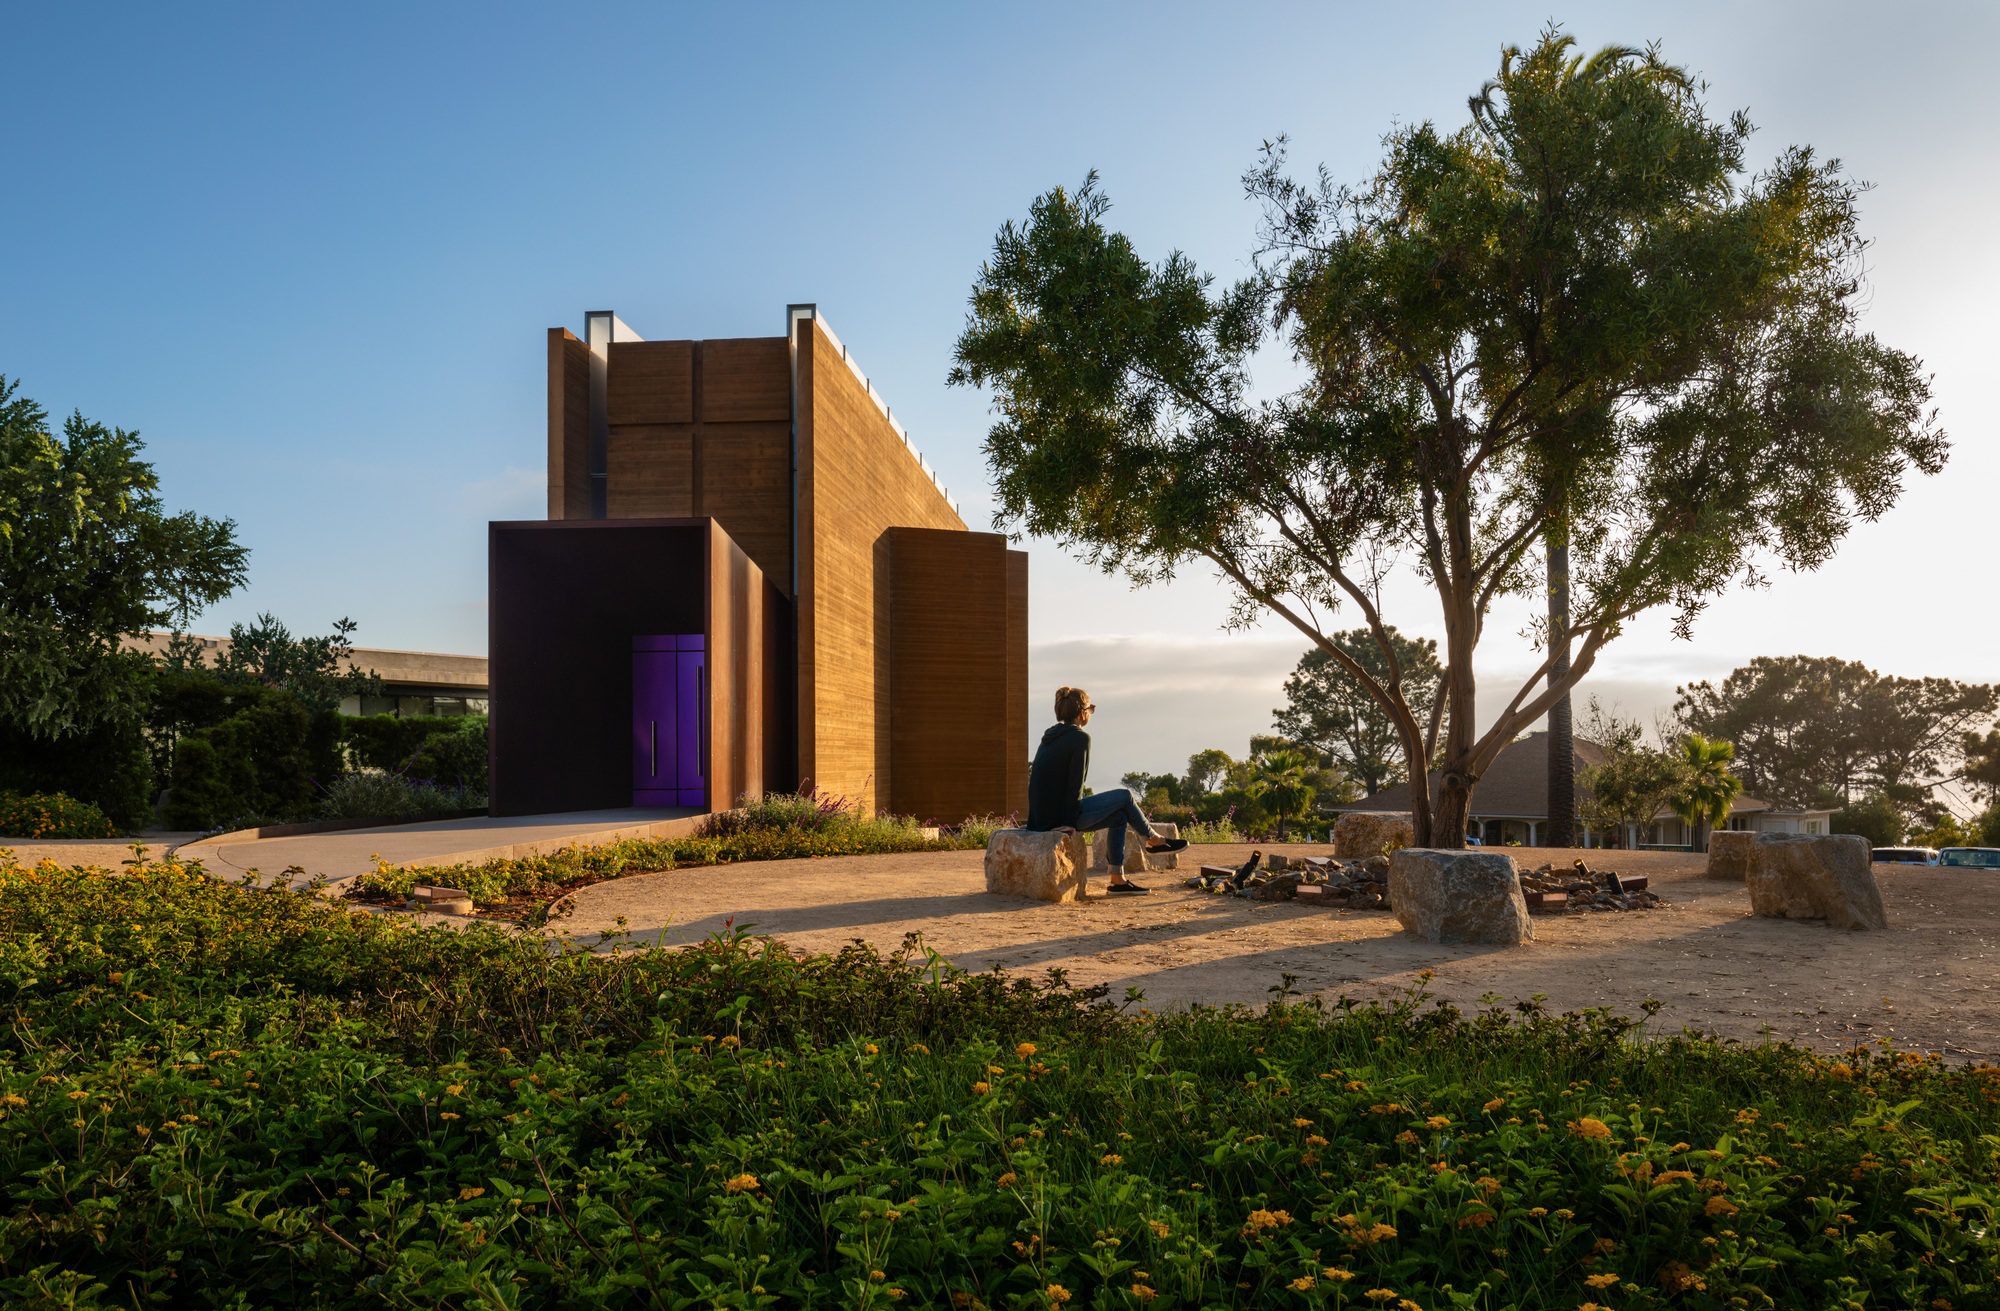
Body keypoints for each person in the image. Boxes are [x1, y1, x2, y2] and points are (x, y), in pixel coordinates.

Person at [1025, 685, 1187, 895]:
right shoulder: (1080, 738)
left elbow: (1039, 783)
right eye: (1090, 709)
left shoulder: (1049, 738)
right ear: (1083, 713)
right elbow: (1075, 784)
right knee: (1125, 796)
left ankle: (1117, 880)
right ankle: (1154, 840)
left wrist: (1040, 820)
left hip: (1042, 818)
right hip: (1058, 819)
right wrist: (1067, 823)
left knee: (1119, 817)